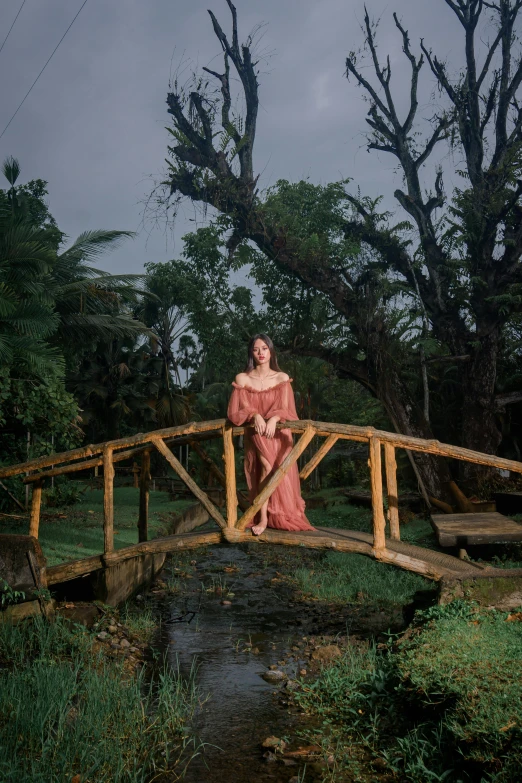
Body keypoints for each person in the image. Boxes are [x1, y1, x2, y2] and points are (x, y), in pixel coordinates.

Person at [227, 334, 314, 535]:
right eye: (256, 349)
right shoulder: (243, 378)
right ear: (251, 352)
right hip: (257, 432)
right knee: (265, 466)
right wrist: (255, 415)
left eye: (264, 348)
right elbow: (235, 410)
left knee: (277, 470)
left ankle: (270, 514)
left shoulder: (281, 378)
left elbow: (287, 409)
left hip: (278, 433)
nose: (261, 353)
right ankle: (263, 517)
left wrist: (274, 419)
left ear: (271, 350)